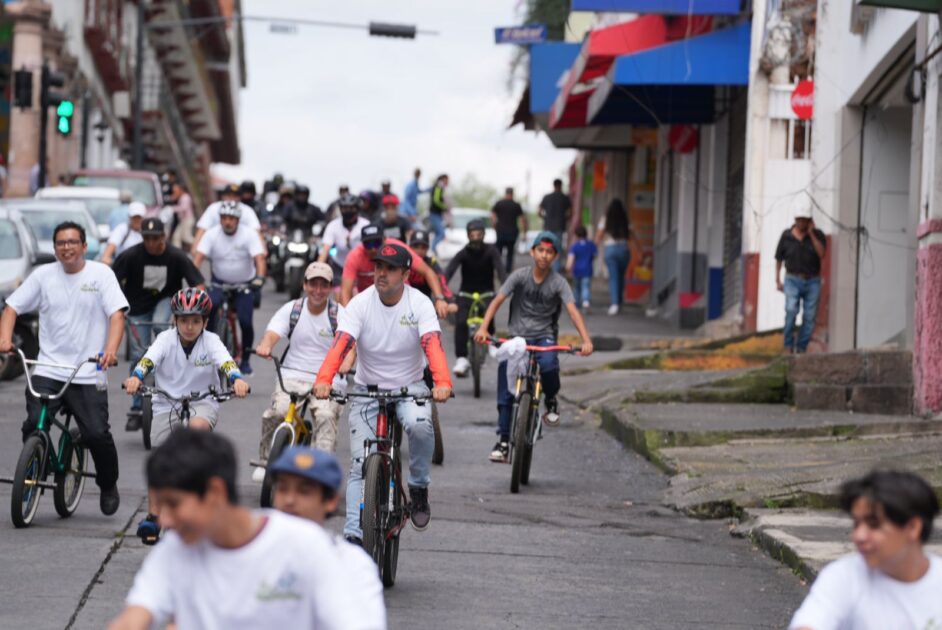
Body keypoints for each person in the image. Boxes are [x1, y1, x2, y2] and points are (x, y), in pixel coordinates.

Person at [107, 431, 357, 630]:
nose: (165, 520)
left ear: (215, 492)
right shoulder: (175, 549)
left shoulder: (314, 551)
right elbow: (133, 618)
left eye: (173, 504)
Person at [314, 243, 453, 543]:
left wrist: (442, 383)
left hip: (410, 387)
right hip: (367, 390)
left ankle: (418, 487)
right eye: (378, 267)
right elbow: (341, 344)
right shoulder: (360, 304)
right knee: (358, 464)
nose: (382, 273)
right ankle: (353, 533)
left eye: (390, 269)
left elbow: (432, 345)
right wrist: (324, 379)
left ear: (405, 274)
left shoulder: (420, 304)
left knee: (419, 425)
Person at [0, 221, 128, 515]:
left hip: (87, 370)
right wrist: (5, 338)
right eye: (60, 243)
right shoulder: (43, 276)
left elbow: (117, 316)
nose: (66, 247)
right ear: (54, 248)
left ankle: (108, 484)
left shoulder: (101, 275)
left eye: (72, 242)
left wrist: (109, 351)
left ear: (84, 246)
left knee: (96, 433)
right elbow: (12, 308)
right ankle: (36, 465)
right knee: (34, 424)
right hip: (48, 367)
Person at [124, 288, 250, 541]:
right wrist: (136, 377)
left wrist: (237, 379)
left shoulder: (211, 341)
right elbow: (147, 360)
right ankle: (154, 516)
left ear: (205, 321)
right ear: (175, 320)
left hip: (202, 401)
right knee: (160, 457)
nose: (189, 326)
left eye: (195, 321)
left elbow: (226, 362)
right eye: (183, 320)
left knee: (197, 431)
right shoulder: (165, 339)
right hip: (165, 402)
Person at [474, 232, 594, 462]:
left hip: (544, 337)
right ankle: (503, 440)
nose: (544, 255)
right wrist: (483, 328)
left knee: (549, 365)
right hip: (518, 337)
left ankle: (550, 399)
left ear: (555, 256)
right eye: (540, 250)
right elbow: (497, 300)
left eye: (550, 252)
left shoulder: (559, 282)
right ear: (532, 252)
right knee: (505, 381)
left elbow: (572, 310)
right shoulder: (519, 276)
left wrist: (586, 340)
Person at [789, 469, 942, 630]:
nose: (858, 536)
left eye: (874, 524)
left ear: (912, 527)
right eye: (856, 524)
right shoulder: (844, 576)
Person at [270, 446, 387, 630]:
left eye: (304, 491)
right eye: (283, 488)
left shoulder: (354, 566)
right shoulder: (250, 551)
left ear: (330, 500)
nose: (290, 500)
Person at [252, 263, 346, 482]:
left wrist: (345, 362)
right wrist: (266, 346)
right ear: (304, 285)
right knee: (276, 413)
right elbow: (272, 334)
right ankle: (266, 461)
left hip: (328, 380)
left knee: (325, 416)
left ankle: (320, 473)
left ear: (331, 288)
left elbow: (349, 345)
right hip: (292, 375)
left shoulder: (339, 314)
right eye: (313, 284)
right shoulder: (292, 309)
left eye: (324, 285)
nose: (318, 290)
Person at [112, 218, 205, 429]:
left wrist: (199, 309)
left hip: (166, 302)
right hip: (137, 308)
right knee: (138, 355)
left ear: (163, 237)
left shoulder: (176, 256)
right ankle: (137, 406)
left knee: (162, 325)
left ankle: (168, 379)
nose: (151, 243)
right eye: (147, 238)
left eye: (155, 238)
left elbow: (197, 283)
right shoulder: (131, 256)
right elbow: (111, 281)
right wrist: (116, 305)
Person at [192, 202, 266, 375]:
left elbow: (260, 259)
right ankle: (208, 353)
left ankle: (245, 360)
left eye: (231, 218)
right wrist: (196, 280)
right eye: (224, 218)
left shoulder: (249, 234)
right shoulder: (211, 234)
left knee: (246, 322)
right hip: (219, 282)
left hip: (244, 284)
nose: (227, 222)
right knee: (208, 311)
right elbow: (198, 259)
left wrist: (260, 278)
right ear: (220, 219)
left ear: (238, 220)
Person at [340, 224, 451, 320]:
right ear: (362, 244)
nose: (373, 249)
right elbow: (345, 291)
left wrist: (439, 299)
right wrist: (347, 318)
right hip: (370, 303)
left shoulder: (399, 249)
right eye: (368, 244)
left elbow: (428, 271)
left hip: (401, 299)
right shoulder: (354, 257)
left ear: (384, 239)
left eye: (377, 242)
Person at [445, 218, 507, 377]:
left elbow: (500, 269)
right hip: (465, 293)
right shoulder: (463, 253)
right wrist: (444, 292)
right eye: (472, 235)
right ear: (468, 235)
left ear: (484, 235)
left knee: (490, 309)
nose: (475, 238)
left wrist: (505, 287)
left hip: (487, 291)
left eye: (479, 234)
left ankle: (491, 340)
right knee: (460, 321)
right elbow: (448, 273)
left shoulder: (492, 251)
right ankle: (461, 358)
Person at [775, 208, 826, 354]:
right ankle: (788, 344)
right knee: (791, 310)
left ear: (809, 221)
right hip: (792, 279)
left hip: (812, 281)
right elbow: (778, 258)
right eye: (799, 219)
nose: (801, 222)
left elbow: (822, 253)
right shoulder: (786, 236)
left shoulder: (818, 235)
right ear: (795, 219)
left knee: (810, 317)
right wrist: (777, 279)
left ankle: (801, 348)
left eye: (805, 220)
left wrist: (811, 233)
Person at [192, 183, 263, 251]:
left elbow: (256, 230)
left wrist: (262, 249)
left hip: (241, 249)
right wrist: (195, 247)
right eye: (229, 195)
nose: (232, 199)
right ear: (223, 196)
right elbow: (202, 228)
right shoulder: (213, 208)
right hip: (218, 250)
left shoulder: (247, 211)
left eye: (235, 196)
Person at [319, 192, 370, 282]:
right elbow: (325, 250)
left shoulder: (365, 225)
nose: (348, 211)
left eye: (351, 208)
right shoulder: (333, 225)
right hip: (339, 265)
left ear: (357, 209)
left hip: (360, 266)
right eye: (345, 208)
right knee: (340, 294)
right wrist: (318, 270)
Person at [595, 198, 632, 316]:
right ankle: (619, 302)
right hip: (624, 249)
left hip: (611, 250)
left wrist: (592, 248)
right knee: (621, 277)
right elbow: (632, 235)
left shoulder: (605, 219)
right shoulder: (625, 219)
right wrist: (640, 251)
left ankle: (615, 304)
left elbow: (599, 235)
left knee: (614, 277)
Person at [491, 187, 528, 273]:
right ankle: (508, 270)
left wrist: (495, 227)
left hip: (500, 231)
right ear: (512, 194)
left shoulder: (499, 204)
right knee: (510, 253)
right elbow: (523, 219)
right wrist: (524, 232)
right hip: (512, 232)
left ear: (505, 193)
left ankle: (499, 270)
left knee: (498, 252)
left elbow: (493, 216)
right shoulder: (516, 205)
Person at [539, 179, 572, 270]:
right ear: (561, 185)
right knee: (557, 248)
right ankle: (555, 270)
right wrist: (565, 219)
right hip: (560, 226)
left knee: (546, 247)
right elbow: (569, 213)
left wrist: (545, 218)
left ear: (553, 185)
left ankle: (545, 267)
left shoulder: (547, 197)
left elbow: (539, 211)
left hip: (548, 227)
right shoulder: (565, 198)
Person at [567, 225, 597, 310]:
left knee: (576, 287)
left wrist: (568, 268)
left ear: (576, 235)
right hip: (588, 269)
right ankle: (586, 302)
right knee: (586, 286)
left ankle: (576, 303)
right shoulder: (591, 245)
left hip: (577, 270)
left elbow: (570, 259)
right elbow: (594, 256)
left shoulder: (575, 246)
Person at [169, 182, 195, 251]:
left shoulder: (185, 197)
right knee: (176, 237)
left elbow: (184, 208)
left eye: (176, 191)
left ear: (181, 190)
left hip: (187, 220)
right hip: (183, 220)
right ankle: (177, 252)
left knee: (186, 237)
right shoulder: (182, 197)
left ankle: (198, 245)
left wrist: (173, 208)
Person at [429, 174, 450, 253]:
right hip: (435, 214)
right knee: (441, 234)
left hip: (437, 214)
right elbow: (436, 200)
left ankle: (433, 250)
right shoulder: (439, 186)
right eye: (447, 180)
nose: (448, 182)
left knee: (438, 233)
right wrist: (444, 207)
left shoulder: (439, 186)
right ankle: (432, 249)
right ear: (443, 179)